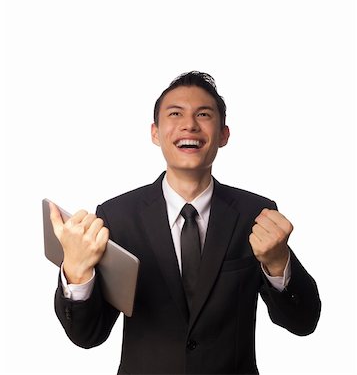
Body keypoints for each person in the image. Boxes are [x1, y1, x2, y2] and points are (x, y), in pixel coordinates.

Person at [50, 71, 321, 375]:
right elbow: (88, 335)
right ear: (155, 132)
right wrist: (76, 271)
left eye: (203, 114)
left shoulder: (256, 214)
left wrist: (277, 263)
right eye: (175, 113)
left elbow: (303, 322)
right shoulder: (118, 217)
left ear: (223, 134)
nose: (189, 124)